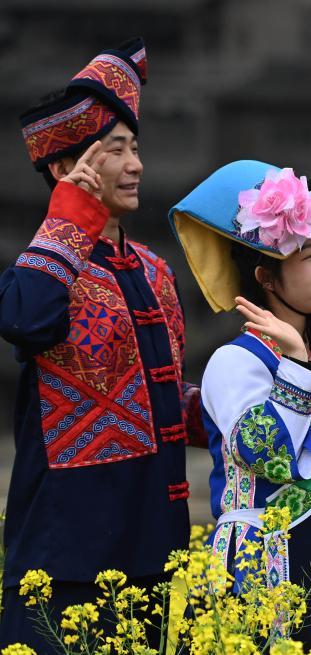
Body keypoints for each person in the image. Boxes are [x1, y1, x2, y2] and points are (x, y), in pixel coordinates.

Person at [0, 38, 202, 652]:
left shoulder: (155, 268)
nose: (135, 163)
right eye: (115, 150)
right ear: (65, 169)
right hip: (67, 558)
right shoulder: (44, 268)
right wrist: (70, 218)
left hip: (156, 544)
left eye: (135, 147)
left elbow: (159, 391)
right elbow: (26, 319)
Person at [168, 160, 311, 643]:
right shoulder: (235, 360)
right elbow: (268, 454)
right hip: (260, 576)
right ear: (266, 278)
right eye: (310, 255)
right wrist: (299, 369)